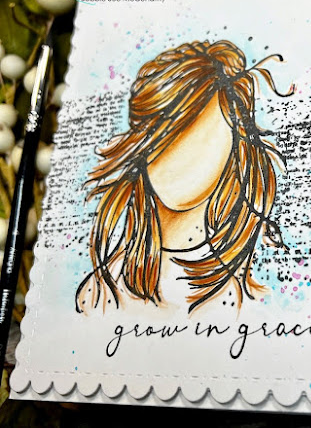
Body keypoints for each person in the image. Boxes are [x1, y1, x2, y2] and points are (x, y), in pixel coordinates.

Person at [75, 39, 294, 315]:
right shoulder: (101, 292)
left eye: (203, 137)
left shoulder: (255, 289)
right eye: (168, 135)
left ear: (234, 146)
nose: (179, 157)